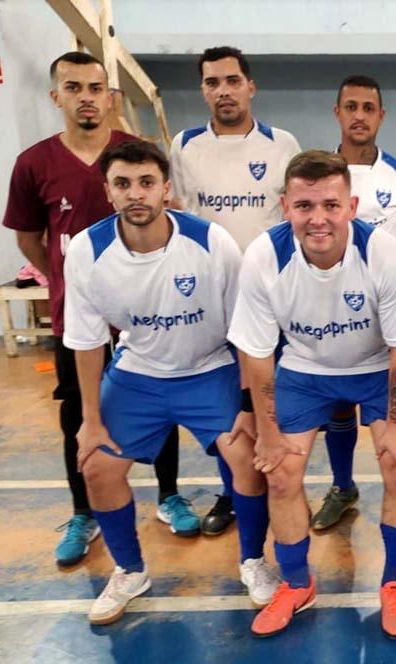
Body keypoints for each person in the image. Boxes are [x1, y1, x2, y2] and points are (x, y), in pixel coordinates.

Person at [63, 140, 276, 625]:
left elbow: (247, 330)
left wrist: (248, 406)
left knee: (247, 455)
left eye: (146, 183)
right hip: (139, 372)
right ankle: (130, 570)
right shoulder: (86, 251)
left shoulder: (211, 242)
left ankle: (254, 561)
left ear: (166, 189)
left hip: (210, 367)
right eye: (122, 184)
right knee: (96, 465)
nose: (135, 194)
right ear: (108, 192)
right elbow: (85, 341)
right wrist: (90, 422)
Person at [2, 52, 191, 568]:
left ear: (109, 95)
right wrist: (66, 279)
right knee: (78, 416)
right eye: (73, 86)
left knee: (159, 400)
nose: (86, 96)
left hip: (144, 311)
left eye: (95, 87)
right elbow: (28, 237)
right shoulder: (34, 163)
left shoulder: (135, 157)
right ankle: (84, 511)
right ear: (55, 95)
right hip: (76, 317)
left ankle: (170, 495)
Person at [228, 151, 396, 640]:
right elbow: (256, 355)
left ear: (352, 206)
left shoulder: (384, 253)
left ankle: (395, 583)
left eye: (331, 205)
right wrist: (268, 434)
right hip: (305, 367)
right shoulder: (263, 256)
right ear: (285, 205)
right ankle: (296, 583)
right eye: (305, 205)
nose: (318, 218)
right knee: (280, 474)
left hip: (377, 366)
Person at [169, 45, 302, 536]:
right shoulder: (184, 146)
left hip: (274, 301)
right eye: (211, 83)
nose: (222, 91)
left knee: (276, 405)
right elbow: (180, 223)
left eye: (231, 80)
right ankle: (233, 491)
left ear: (251, 86)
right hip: (214, 305)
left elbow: (294, 221)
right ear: (203, 90)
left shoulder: (281, 144)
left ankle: (285, 484)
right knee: (231, 411)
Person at [312, 74, 396, 531]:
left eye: (368, 108)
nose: (359, 116)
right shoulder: (320, 171)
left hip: (389, 319)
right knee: (338, 405)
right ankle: (343, 487)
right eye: (351, 107)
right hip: (330, 314)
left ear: (381, 116)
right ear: (337, 113)